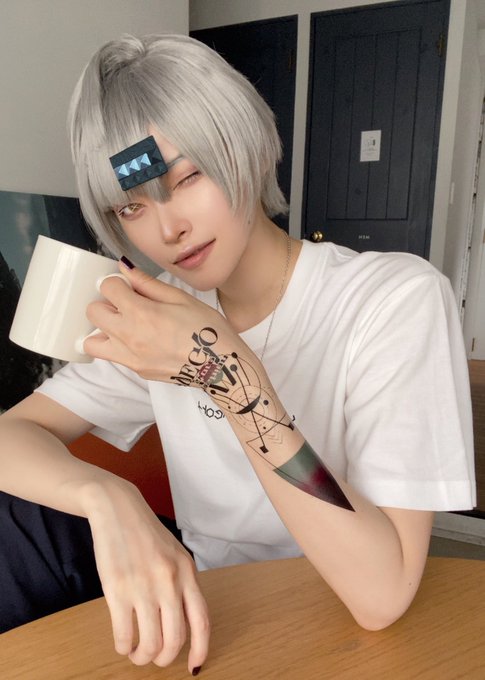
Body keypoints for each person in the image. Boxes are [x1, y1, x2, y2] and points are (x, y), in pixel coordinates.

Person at [0, 33, 476, 675]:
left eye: (188, 177)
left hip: (336, 606)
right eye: (132, 206)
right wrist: (106, 496)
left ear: (244, 146)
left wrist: (226, 371)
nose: (168, 228)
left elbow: (381, 594)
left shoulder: (392, 299)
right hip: (211, 600)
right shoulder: (159, 315)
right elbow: (12, 435)